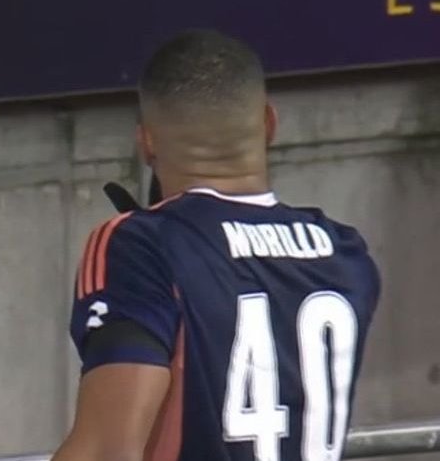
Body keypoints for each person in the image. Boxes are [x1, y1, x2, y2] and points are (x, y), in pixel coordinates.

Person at [52, 29, 380, 461]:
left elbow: (105, 453)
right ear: (269, 124)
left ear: (146, 142)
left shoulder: (140, 245)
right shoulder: (345, 252)